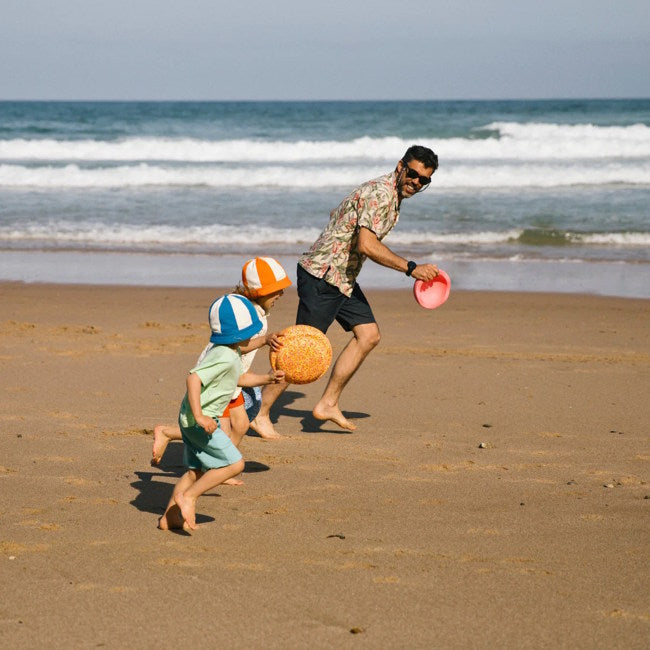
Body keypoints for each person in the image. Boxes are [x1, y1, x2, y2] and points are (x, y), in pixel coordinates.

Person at [249, 145, 440, 439]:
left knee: (369, 335)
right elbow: (366, 244)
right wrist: (410, 267)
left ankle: (327, 403)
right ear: (401, 165)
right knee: (301, 352)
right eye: (413, 174)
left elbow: (337, 213)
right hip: (324, 277)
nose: (415, 182)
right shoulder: (381, 194)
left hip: (342, 278)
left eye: (423, 180)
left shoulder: (387, 193)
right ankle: (259, 414)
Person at [158, 293, 285, 531]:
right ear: (240, 333)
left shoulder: (228, 349)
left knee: (196, 472)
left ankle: (169, 517)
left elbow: (240, 377)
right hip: (200, 420)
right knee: (235, 464)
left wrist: (267, 378)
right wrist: (200, 416)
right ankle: (189, 498)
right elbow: (193, 379)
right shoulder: (224, 356)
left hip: (193, 418)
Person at [152, 257, 291, 471]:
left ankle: (221, 467)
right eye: (275, 290)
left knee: (242, 425)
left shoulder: (258, 311)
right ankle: (173, 437)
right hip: (218, 378)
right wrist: (263, 340)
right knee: (218, 431)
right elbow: (236, 347)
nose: (281, 294)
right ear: (257, 292)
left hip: (233, 378)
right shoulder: (244, 312)